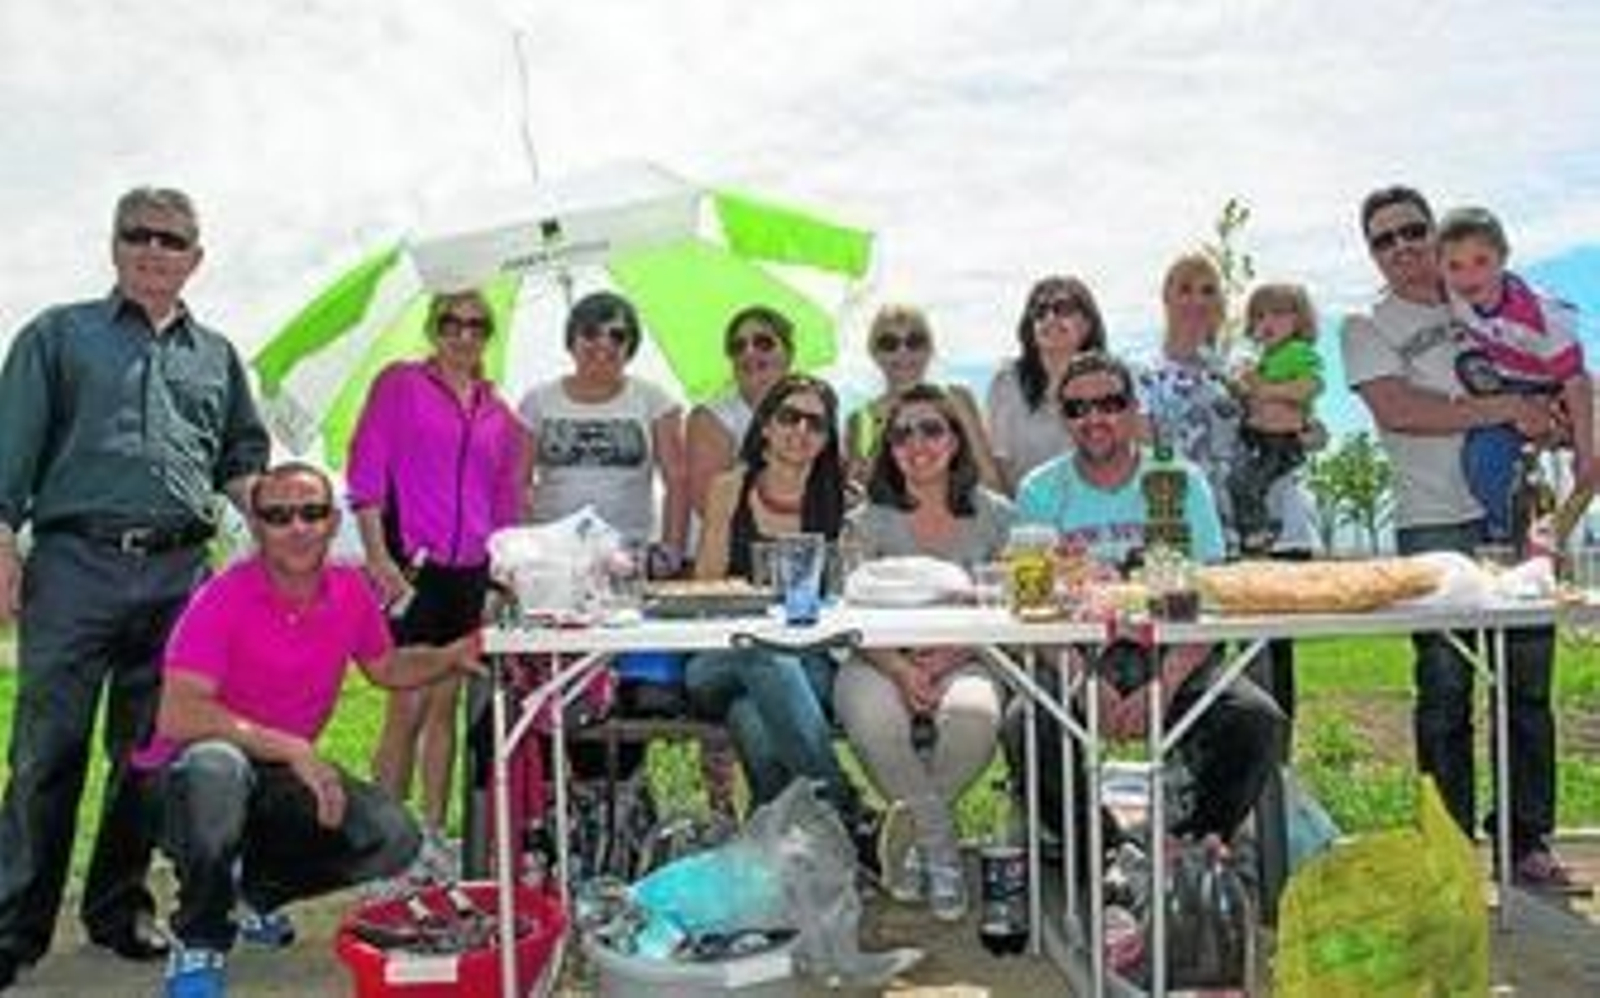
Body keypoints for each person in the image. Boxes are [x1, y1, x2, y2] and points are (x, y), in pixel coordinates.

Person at [0, 187, 270, 989]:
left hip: (181, 577)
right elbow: (8, 454)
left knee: (150, 756)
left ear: (196, 257)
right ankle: (14, 928)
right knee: (47, 752)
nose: (154, 249)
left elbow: (240, 459)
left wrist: (279, 518)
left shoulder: (218, 357)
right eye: (138, 235)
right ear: (114, 246)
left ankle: (118, 912)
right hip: (74, 568)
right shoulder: (57, 336)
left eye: (172, 239)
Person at [134, 463, 483, 997]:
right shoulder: (222, 596)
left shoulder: (349, 588)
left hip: (277, 774)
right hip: (187, 777)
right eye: (278, 516)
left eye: (312, 512)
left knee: (394, 836)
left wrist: (454, 655)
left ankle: (251, 895)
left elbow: (387, 669)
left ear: (332, 520)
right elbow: (178, 715)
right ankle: (201, 936)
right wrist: (291, 746)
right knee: (217, 768)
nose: (297, 527)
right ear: (256, 527)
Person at [1341, 185, 1572, 888]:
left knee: (1527, 680)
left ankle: (1524, 839)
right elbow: (1400, 409)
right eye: (1384, 240)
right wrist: (1505, 406)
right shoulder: (1364, 324)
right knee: (1444, 688)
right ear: (1371, 254)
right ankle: (1444, 847)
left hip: (1515, 508)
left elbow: (1555, 368)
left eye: (1414, 230)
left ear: (1434, 232)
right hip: (1431, 520)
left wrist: (1557, 415)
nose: (1403, 247)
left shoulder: (1486, 300)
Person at [1008, 352, 1284, 854]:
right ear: (1063, 418)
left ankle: (1191, 849)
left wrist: (1167, 682)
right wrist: (1080, 680)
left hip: (1172, 645)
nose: (1094, 418)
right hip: (1078, 650)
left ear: (1135, 410)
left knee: (1254, 720)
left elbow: (1210, 598)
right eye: (1077, 408)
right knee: (1025, 726)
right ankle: (1106, 858)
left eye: (1110, 403)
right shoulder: (1040, 490)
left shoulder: (1179, 481)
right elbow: (1033, 608)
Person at [347, 289, 527, 881]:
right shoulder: (399, 384)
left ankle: (429, 834)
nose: (463, 334)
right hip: (410, 564)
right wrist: (378, 556)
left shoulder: (500, 414)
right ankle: (383, 847)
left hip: (471, 572)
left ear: (488, 335)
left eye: (476, 325)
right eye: (451, 322)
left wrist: (501, 573)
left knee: (446, 705)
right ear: (433, 327)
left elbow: (503, 499)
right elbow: (367, 471)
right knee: (408, 704)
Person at [836, 384, 1013, 920]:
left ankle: (911, 834)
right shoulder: (864, 522)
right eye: (901, 434)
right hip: (876, 657)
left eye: (932, 429)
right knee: (874, 718)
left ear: (956, 440)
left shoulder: (998, 516)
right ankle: (940, 848)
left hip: (971, 655)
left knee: (972, 716)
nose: (917, 443)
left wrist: (951, 655)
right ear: (888, 450)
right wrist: (899, 667)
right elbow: (847, 615)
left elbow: (1010, 605)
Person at [685, 375, 873, 836]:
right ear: (765, 425)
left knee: (753, 719)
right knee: (761, 649)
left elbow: (853, 594)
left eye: (816, 423)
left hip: (812, 657)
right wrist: (755, 600)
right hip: (721, 653)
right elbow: (704, 585)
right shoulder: (729, 488)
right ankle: (845, 808)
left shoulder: (844, 502)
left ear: (827, 439)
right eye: (789, 417)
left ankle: (787, 842)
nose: (800, 431)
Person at [1136, 253, 1319, 723]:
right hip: (1185, 534)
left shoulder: (1240, 368)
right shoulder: (1141, 375)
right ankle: (1190, 781)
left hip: (1265, 528)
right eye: (1185, 288)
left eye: (1209, 290)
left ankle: (1273, 783)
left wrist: (1306, 427)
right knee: (1188, 666)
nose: (1197, 300)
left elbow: (1299, 423)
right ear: (1165, 298)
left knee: (1267, 669)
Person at [1435, 205, 1596, 541]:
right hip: (1507, 385)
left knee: (1587, 466)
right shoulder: (1452, 294)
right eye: (1455, 266)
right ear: (1441, 268)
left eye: (1481, 261)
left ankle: (1553, 522)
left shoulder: (1542, 314)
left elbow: (1576, 382)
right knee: (1482, 456)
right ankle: (1521, 532)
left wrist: (1585, 452)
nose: (1468, 276)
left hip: (1558, 386)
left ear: (1503, 258)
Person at [518, 290, 689, 566]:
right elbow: (518, 483)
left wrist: (672, 551)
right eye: (590, 333)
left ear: (630, 345)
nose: (603, 343)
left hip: (628, 555)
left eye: (617, 336)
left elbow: (678, 481)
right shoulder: (537, 401)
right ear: (571, 340)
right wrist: (524, 553)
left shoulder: (655, 400)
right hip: (552, 555)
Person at [844, 304, 1001, 493]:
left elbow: (990, 479)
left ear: (929, 348)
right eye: (889, 344)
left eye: (914, 341)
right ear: (874, 353)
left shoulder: (956, 400)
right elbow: (856, 494)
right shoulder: (860, 420)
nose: (903, 351)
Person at [1226, 283, 1325, 554]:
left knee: (1248, 483)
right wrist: (1241, 389)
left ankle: (1257, 533)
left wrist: (1267, 390)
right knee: (1240, 481)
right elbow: (1250, 396)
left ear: (1299, 320)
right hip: (1259, 437)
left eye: (1278, 314)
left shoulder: (1297, 352)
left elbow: (1312, 386)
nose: (1267, 322)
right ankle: (1256, 532)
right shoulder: (1261, 358)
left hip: (1281, 441)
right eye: (1259, 316)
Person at [986, 275, 1107, 494]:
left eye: (1063, 309)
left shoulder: (1112, 384)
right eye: (1040, 311)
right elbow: (998, 464)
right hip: (1026, 515)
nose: (1050, 318)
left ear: (1088, 324)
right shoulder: (1006, 382)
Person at [685, 306, 796, 522]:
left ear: (788, 353)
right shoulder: (710, 417)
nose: (749, 352)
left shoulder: (811, 410)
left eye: (763, 343)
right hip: (727, 549)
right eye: (738, 346)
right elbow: (709, 506)